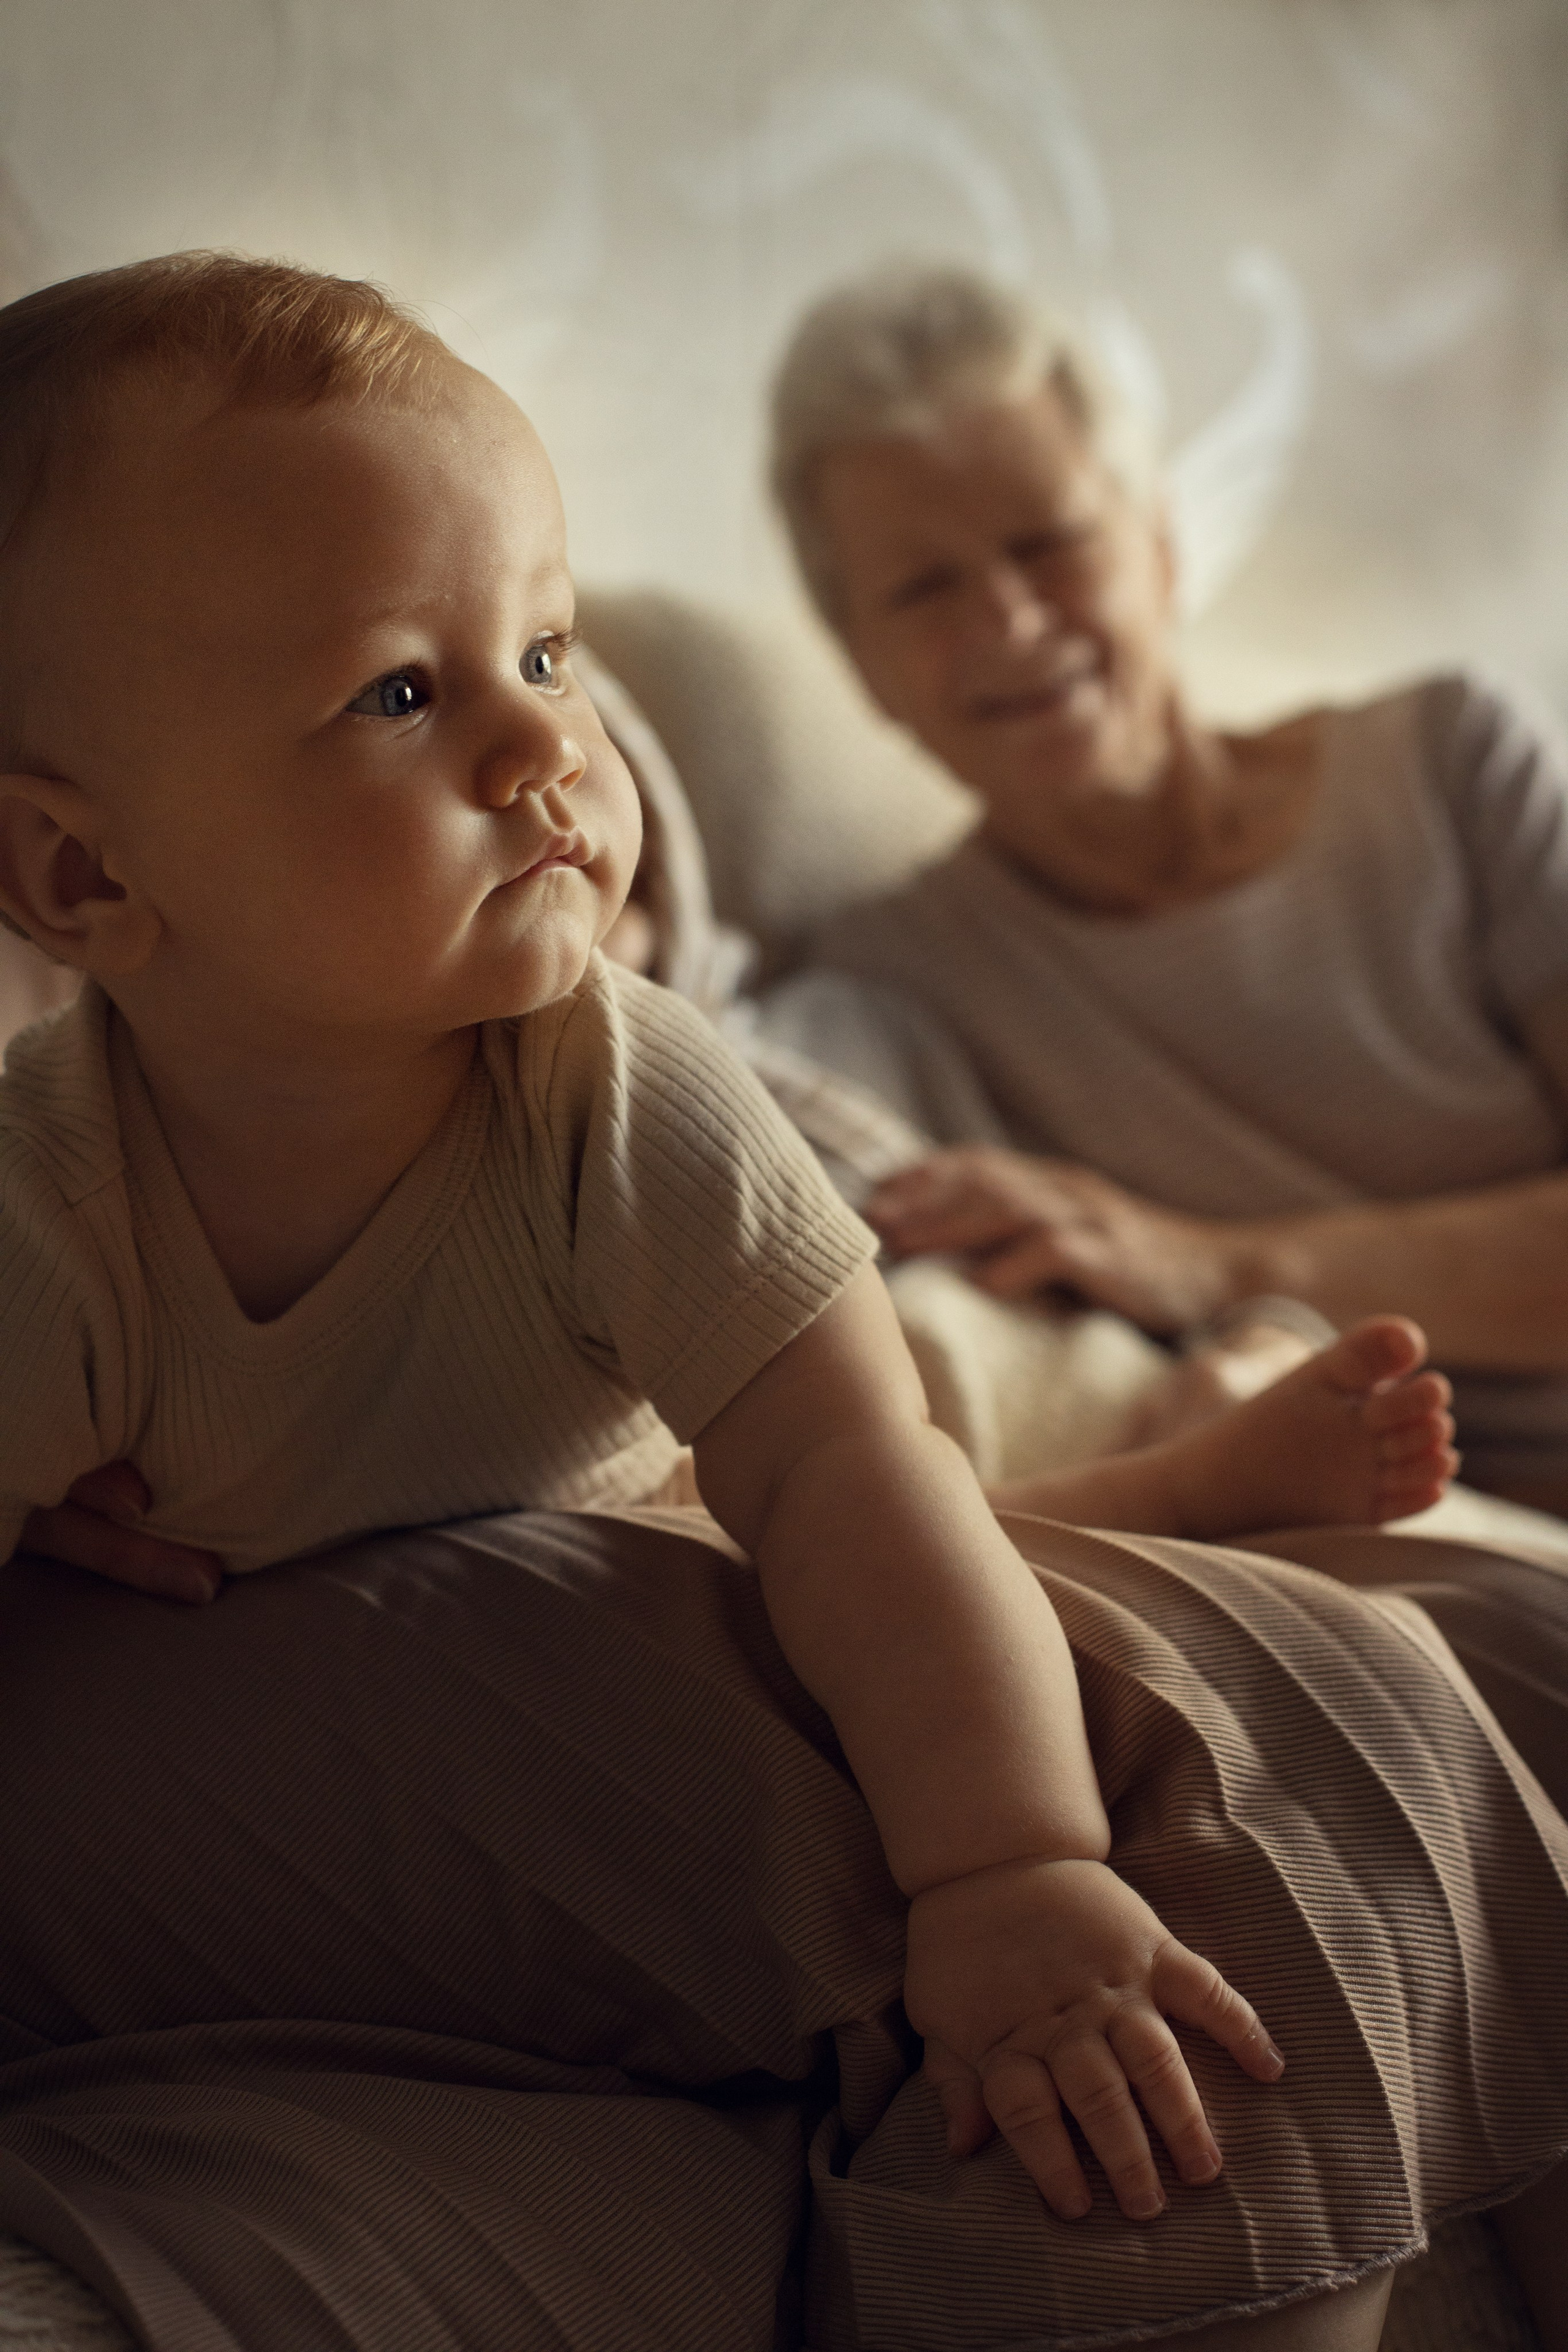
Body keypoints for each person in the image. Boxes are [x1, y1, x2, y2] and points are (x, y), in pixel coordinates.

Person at [0, 254, 1562, 2352]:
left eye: (544, 647)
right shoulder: (49, 1201)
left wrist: (1010, 1878)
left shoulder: (617, 1087)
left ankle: (1174, 1484)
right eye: (404, 691)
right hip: (408, 1627)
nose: (548, 739)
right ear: (85, 886)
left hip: (651, 1499)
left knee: (857, 1536)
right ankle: (1177, 1485)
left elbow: (847, 1483)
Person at [771, 264, 1568, 1521]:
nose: (1009, 620)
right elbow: (712, 1092)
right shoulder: (895, 972)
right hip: (1405, 1546)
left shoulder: (1450, 763)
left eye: (1049, 544)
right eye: (925, 588)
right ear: (861, 666)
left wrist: (1209, 1264)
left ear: (1159, 549)